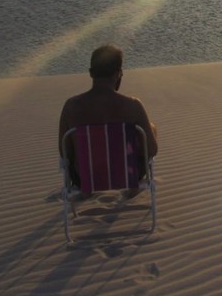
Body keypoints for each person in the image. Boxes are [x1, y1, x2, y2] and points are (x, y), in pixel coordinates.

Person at [59, 44, 158, 188]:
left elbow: (64, 153)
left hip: (85, 179)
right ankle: (129, 187)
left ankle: (89, 187)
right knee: (151, 128)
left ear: (91, 73)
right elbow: (152, 150)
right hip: (128, 176)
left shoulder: (71, 106)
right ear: (118, 73)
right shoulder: (133, 106)